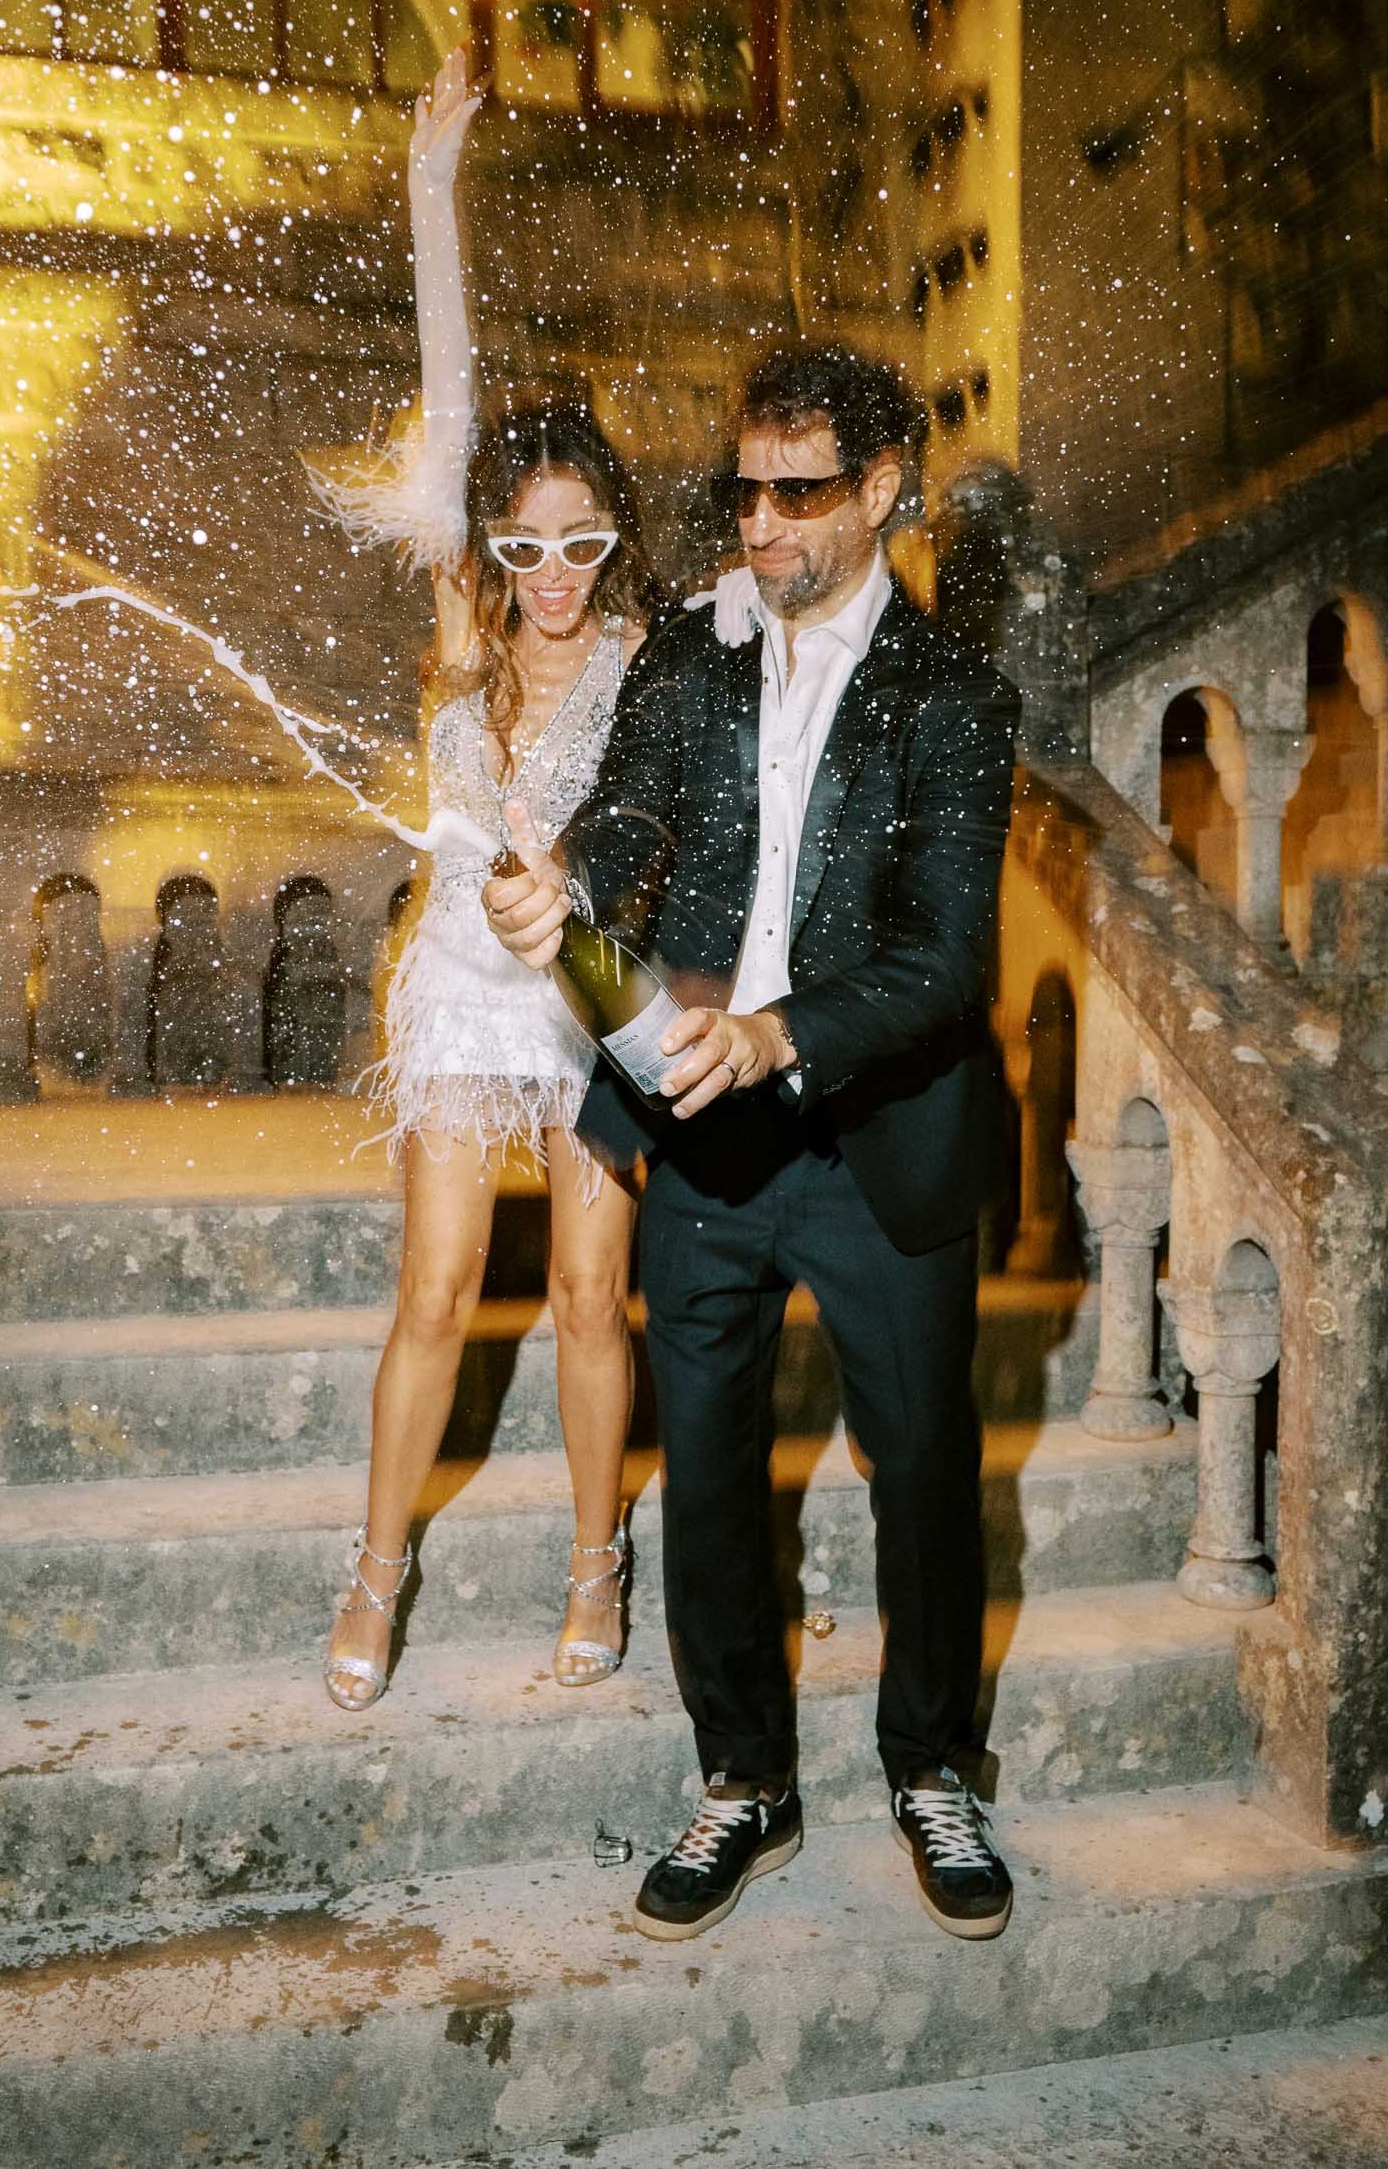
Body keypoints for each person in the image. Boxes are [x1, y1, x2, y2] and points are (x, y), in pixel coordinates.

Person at [485, 343, 1020, 1941]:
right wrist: (566, 894)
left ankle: (933, 1765)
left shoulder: (954, 697)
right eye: (745, 492)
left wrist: (781, 1030)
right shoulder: (694, 655)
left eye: (800, 493)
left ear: (881, 490)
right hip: (706, 1135)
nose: (763, 524)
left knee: (923, 1469)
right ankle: (744, 1780)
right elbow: (636, 819)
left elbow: (945, 958)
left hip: (878, 1138)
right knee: (708, 1468)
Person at [313, 53, 653, 1710]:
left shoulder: (650, 662)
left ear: (616, 538)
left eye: (583, 542)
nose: (556, 574)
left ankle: (597, 1559)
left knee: (591, 1296)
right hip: (461, 984)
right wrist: (432, 189)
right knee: (437, 1292)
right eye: (528, 546)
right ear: (494, 551)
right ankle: (378, 1567)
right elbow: (447, 409)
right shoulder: (465, 636)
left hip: (586, 988)